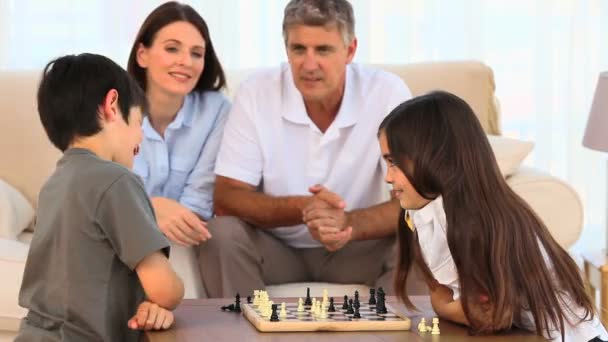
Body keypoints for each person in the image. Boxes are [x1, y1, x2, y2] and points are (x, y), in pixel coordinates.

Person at [199, 0, 417, 298]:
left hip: (357, 248)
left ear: (350, 50)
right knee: (220, 234)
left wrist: (347, 222)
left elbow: (414, 199)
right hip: (276, 250)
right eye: (298, 49)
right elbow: (226, 198)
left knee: (420, 233)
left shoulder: (387, 92)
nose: (309, 64)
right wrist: (305, 209)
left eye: (323, 50)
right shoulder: (256, 91)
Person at [378, 91, 608, 341]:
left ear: (435, 158)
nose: (388, 177)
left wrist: (443, 306)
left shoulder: (472, 223)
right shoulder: (437, 213)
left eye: (394, 163)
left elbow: (489, 314)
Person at [15, 53, 184, 341]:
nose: (140, 139)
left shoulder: (54, 184)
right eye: (138, 123)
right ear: (112, 106)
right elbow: (165, 290)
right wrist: (162, 301)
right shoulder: (117, 181)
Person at [127, 1, 230, 247]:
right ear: (143, 55)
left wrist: (142, 209)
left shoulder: (217, 111)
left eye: (196, 53)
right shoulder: (112, 111)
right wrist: (153, 207)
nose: (186, 61)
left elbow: (198, 203)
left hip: (186, 240)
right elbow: (99, 196)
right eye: (172, 49)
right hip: (124, 236)